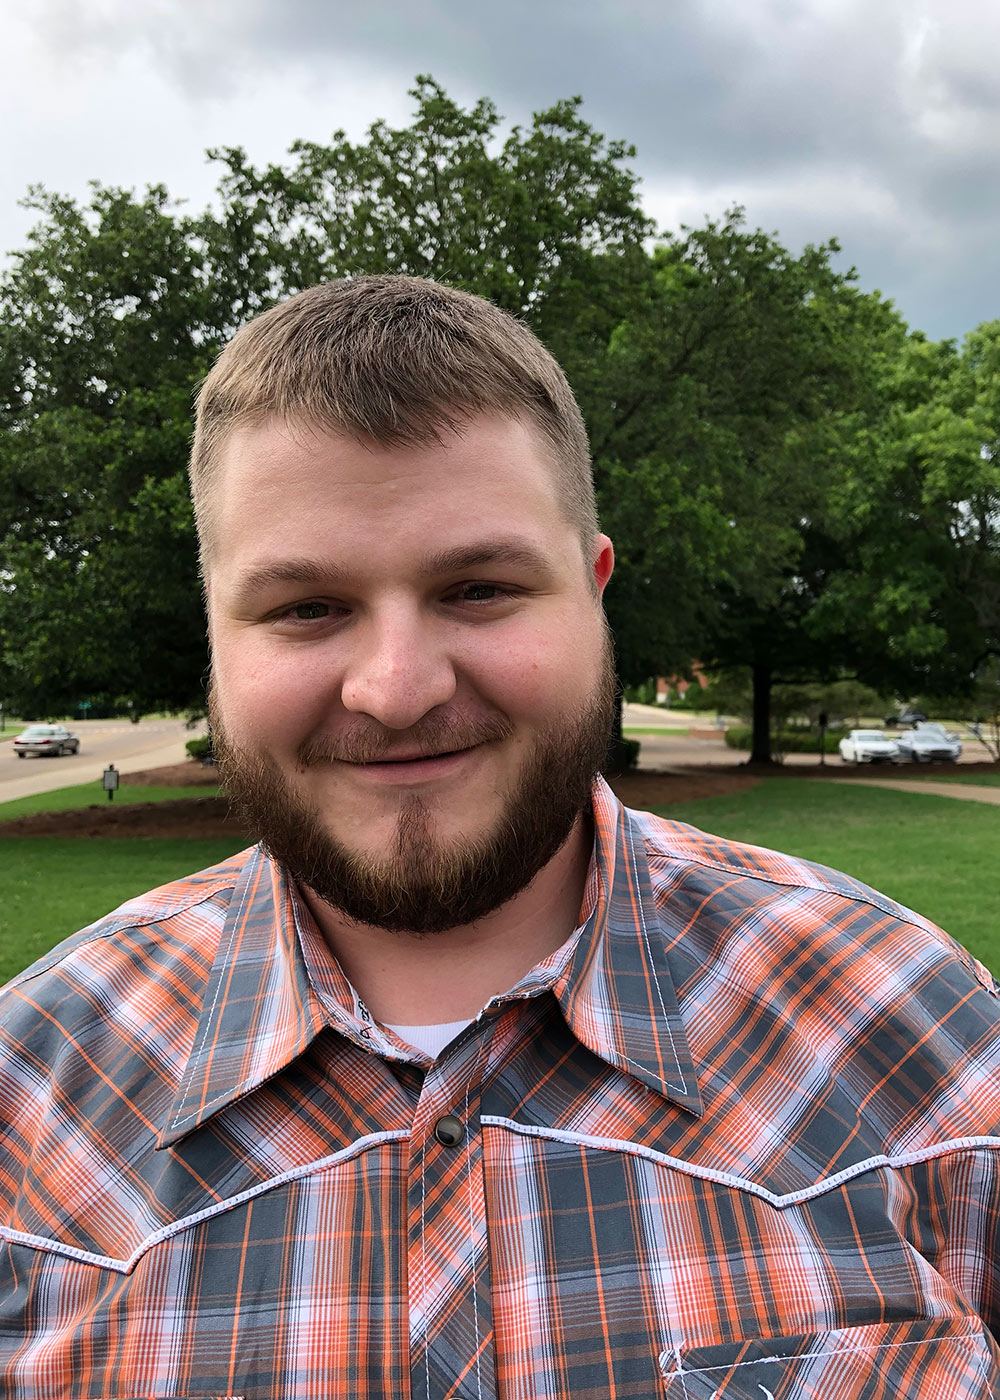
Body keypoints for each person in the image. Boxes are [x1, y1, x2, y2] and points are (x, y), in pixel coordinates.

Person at [1, 276, 999, 1400]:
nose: (395, 688)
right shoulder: (26, 1094)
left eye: (477, 587)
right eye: (305, 608)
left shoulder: (929, 1040)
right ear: (217, 633)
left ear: (593, 589)